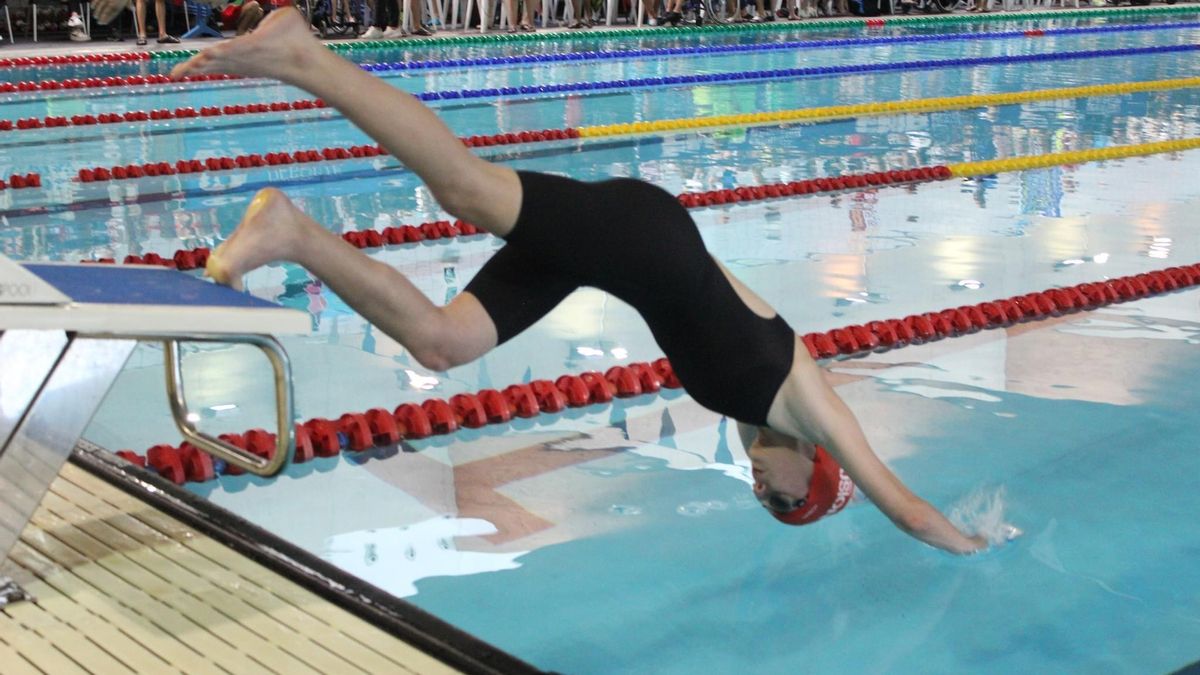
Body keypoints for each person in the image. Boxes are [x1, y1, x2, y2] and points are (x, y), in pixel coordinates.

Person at [89, 5, 1009, 555]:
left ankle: (287, 229)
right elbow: (905, 504)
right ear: (814, 471)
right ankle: (303, 54)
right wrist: (973, 545)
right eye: (776, 495)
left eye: (762, 501)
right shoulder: (814, 409)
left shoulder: (758, 404)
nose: (755, 485)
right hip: (637, 235)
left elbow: (713, 289)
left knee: (442, 344)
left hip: (628, 251)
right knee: (459, 185)